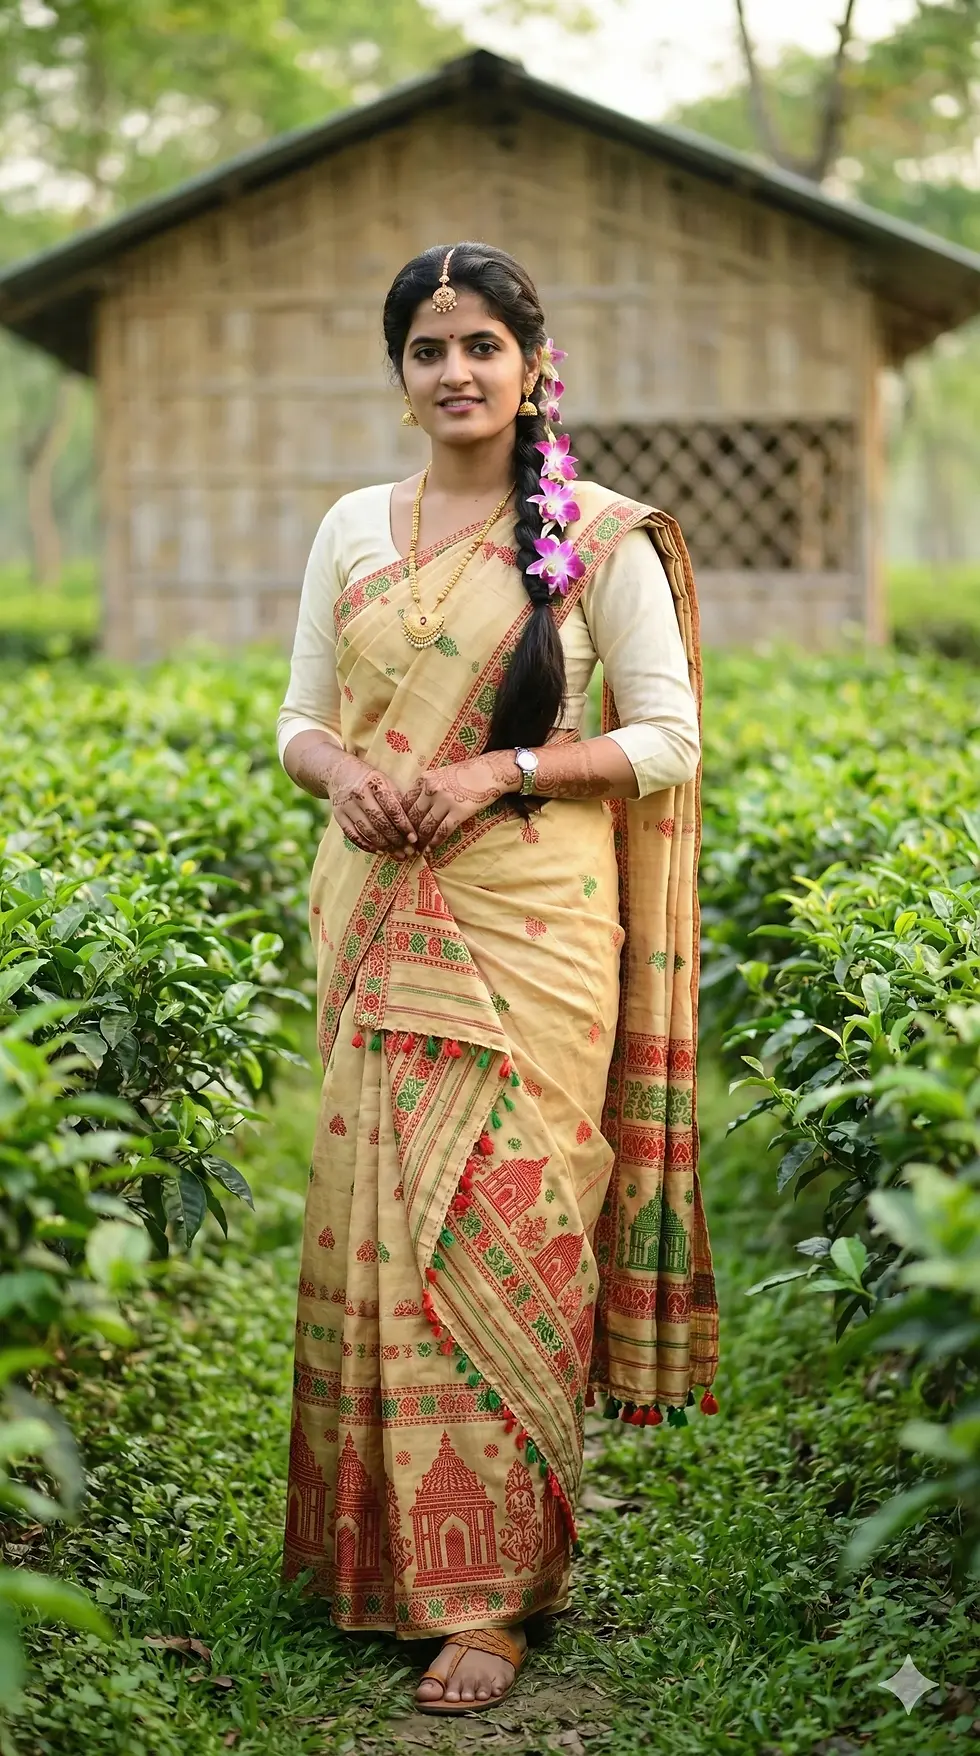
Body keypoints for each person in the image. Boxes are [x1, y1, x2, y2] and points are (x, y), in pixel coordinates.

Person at [275, 242, 720, 1716]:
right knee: (383, 1228)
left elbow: (665, 740)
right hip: (378, 911)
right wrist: (343, 774)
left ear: (534, 364)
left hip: (530, 927)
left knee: (507, 1226)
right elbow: (296, 722)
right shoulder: (353, 524)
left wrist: (501, 771)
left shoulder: (601, 538)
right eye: (426, 348)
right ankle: (383, 1552)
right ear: (397, 372)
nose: (454, 371)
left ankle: (501, 1594)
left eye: (480, 345)